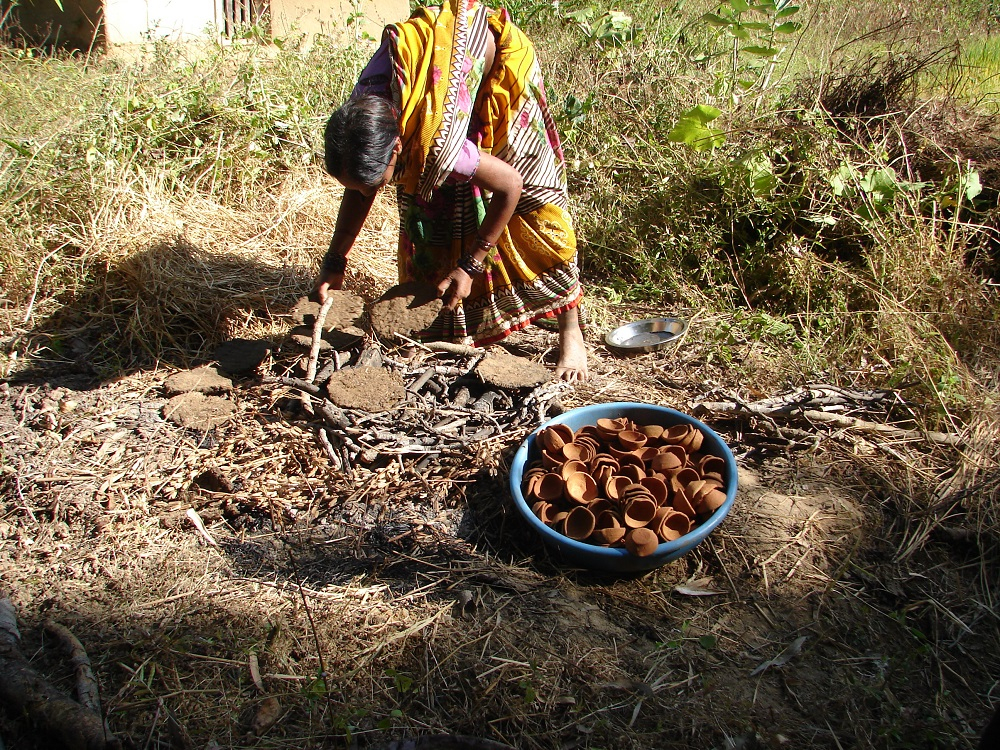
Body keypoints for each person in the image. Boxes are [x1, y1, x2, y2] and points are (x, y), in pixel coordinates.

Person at [313, 0, 588, 382]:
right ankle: (451, 324)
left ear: (398, 148)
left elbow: (510, 184)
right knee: (430, 210)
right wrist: (334, 261)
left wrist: (472, 263)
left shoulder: (437, 144)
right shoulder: (362, 115)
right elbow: (360, 188)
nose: (369, 191)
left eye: (377, 182)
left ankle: (571, 330)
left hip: (500, 79)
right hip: (443, 92)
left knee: (537, 212)